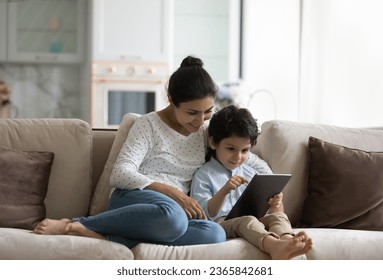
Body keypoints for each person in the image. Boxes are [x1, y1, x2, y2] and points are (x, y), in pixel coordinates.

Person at [33, 56, 227, 248]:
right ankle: (74, 224)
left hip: (174, 213)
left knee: (215, 233)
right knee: (173, 218)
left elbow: (238, 150)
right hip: (136, 200)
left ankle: (102, 235)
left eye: (208, 111)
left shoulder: (204, 132)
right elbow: (120, 174)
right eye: (192, 113)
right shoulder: (148, 124)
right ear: (171, 100)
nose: (201, 120)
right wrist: (174, 193)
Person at [190, 105, 313, 259]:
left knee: (278, 217)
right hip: (221, 223)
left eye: (245, 151)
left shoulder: (251, 172)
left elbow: (275, 211)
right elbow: (205, 214)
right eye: (231, 149)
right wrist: (225, 190)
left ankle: (288, 242)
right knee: (247, 221)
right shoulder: (204, 174)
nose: (238, 157)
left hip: (253, 219)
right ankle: (274, 246)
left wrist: (276, 205)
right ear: (213, 143)